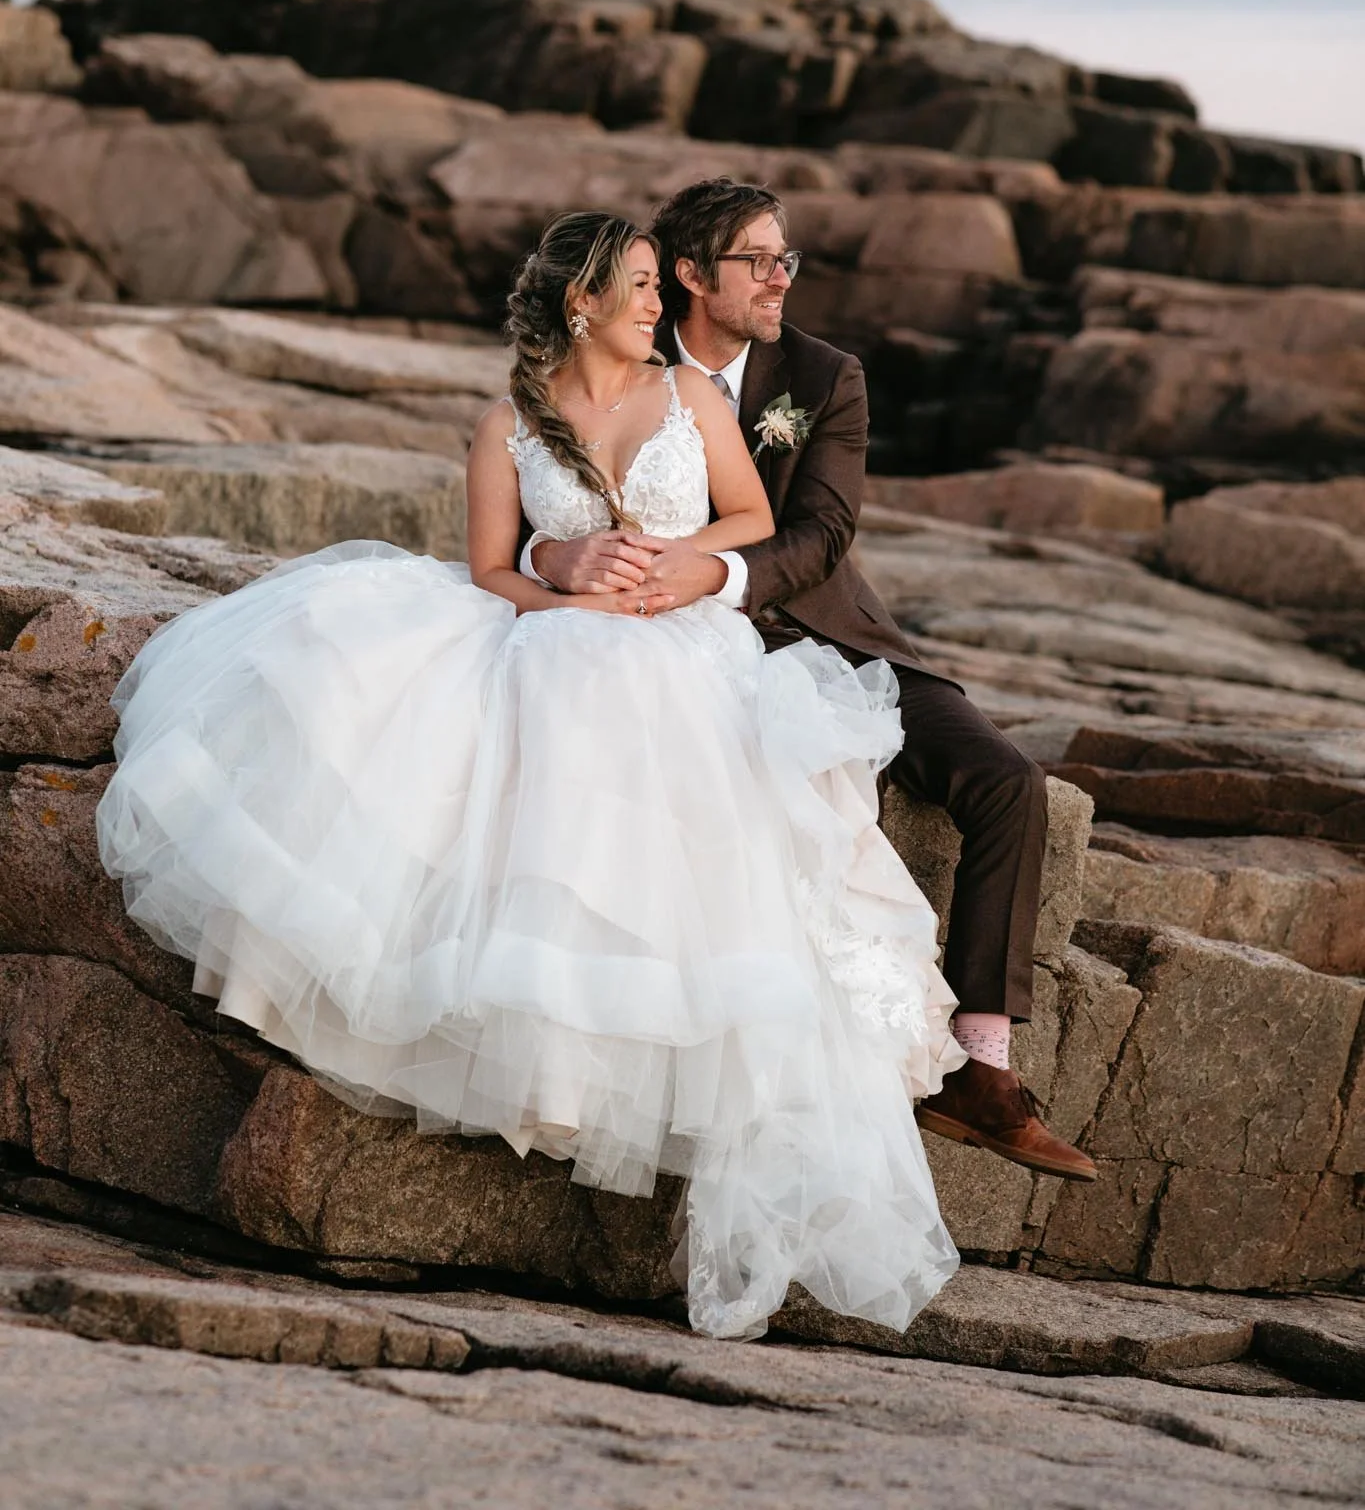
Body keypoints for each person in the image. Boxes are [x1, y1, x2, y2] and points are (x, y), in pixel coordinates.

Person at [97, 210, 965, 1342]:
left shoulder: (690, 399)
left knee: (683, 779)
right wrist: (561, 578)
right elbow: (489, 573)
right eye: (638, 285)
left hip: (685, 644)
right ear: (580, 301)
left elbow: (754, 517)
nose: (658, 304)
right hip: (557, 636)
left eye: (658, 282)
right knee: (499, 700)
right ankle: (540, 1063)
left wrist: (684, 569)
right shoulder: (508, 422)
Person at [525, 181, 1096, 1183]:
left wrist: (716, 574)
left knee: (1009, 780)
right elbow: (547, 497)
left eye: (785, 257)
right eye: (757, 259)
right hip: (679, 652)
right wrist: (550, 556)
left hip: (832, 630)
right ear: (691, 273)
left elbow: (824, 532)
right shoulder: (624, 353)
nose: (781, 277)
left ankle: (983, 1067)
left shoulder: (824, 376)